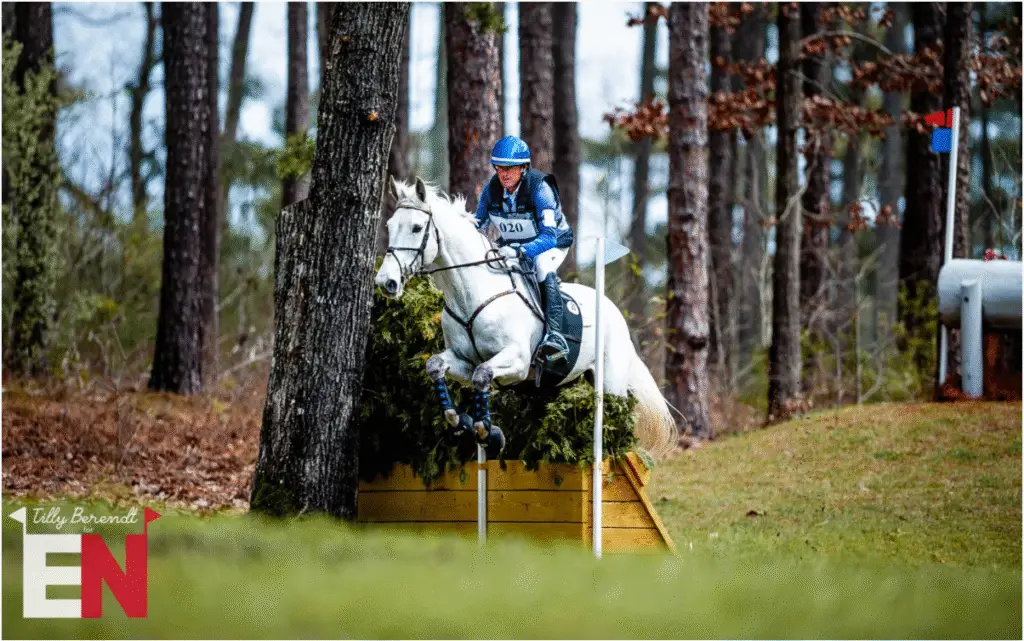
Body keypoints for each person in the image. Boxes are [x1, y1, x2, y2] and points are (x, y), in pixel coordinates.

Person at [474, 135, 575, 362]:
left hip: (553, 242)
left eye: (510, 168)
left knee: (540, 265)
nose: (504, 174)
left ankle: (555, 335)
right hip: (514, 243)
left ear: (524, 168)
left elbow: (548, 237)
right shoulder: (491, 191)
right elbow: (476, 225)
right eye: (499, 168)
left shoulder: (542, 189)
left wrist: (520, 252)